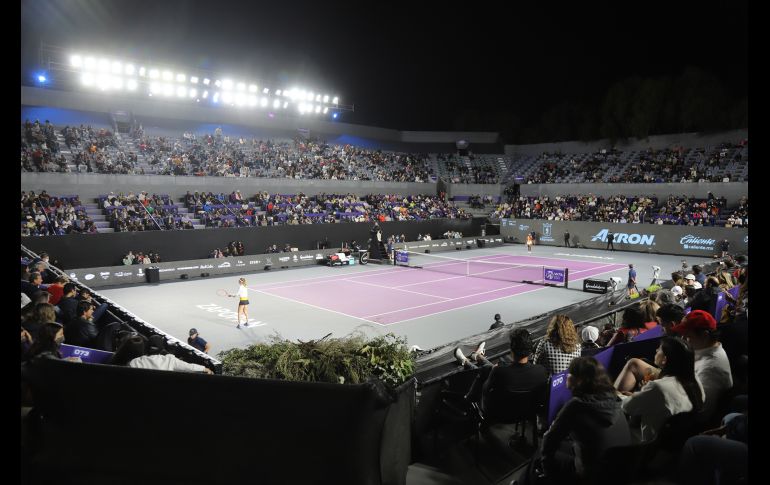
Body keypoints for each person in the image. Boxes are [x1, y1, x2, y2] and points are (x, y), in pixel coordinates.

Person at [525, 356, 631, 484]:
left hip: (593, 476)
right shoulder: (613, 397)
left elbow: (548, 442)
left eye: (570, 373)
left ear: (579, 380)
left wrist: (549, 474)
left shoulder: (576, 405)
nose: (567, 376)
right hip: (619, 471)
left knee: (538, 455)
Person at [620, 337, 705, 442]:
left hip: (651, 446)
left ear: (665, 359)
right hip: (678, 442)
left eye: (659, 349)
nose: (656, 350)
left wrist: (637, 395)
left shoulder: (658, 387)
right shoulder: (695, 381)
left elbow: (626, 407)